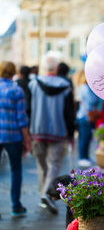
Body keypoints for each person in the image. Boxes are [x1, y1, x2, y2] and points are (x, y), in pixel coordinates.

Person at [29, 51, 75, 214]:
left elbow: (28, 108)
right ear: (56, 68)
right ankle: (46, 195)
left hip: (37, 130)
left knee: (42, 165)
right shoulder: (65, 86)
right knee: (54, 164)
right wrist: (71, 135)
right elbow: (69, 113)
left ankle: (44, 195)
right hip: (57, 131)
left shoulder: (33, 83)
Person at [0, 61, 31, 217]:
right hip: (13, 135)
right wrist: (27, 139)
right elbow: (21, 117)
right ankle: (16, 205)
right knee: (16, 170)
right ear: (13, 73)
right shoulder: (16, 90)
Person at [76, 70, 102, 167]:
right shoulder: (84, 88)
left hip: (88, 116)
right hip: (85, 116)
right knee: (84, 138)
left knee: (87, 137)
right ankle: (82, 157)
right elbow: (92, 100)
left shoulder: (88, 87)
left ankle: (85, 156)